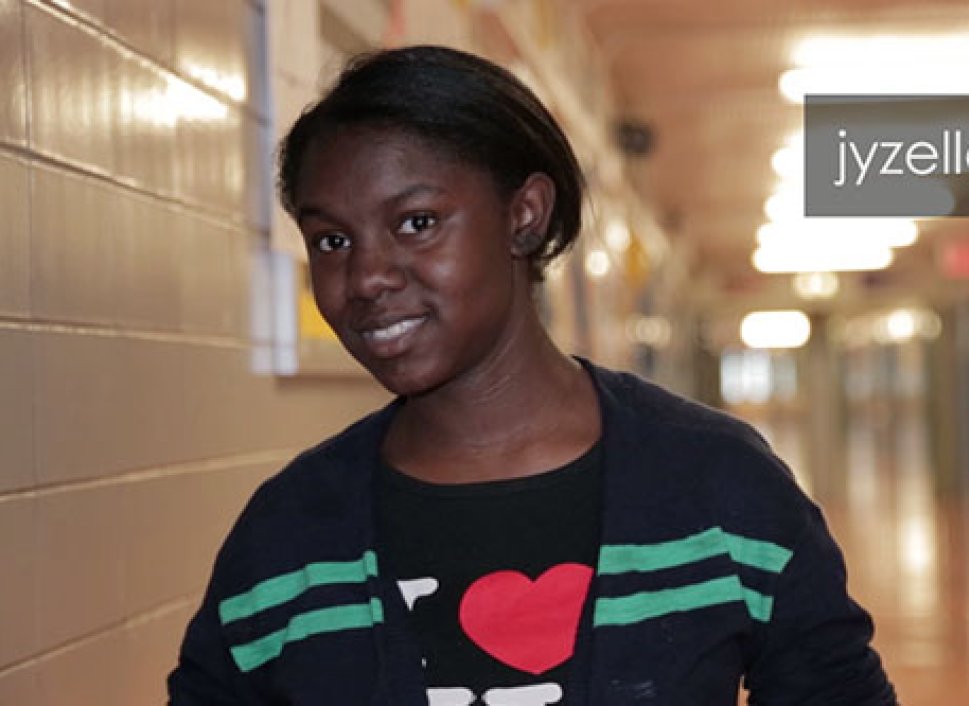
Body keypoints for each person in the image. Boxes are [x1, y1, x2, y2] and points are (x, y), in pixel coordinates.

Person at [168, 45, 896, 706]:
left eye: (417, 223)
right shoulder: (289, 533)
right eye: (332, 240)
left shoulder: (718, 488)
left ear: (524, 215)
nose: (366, 278)